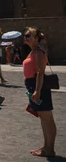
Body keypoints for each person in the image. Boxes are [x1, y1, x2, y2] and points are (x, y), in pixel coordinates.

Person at [22, 27, 57, 158]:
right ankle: (47, 147)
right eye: (25, 36)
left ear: (36, 38)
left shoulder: (38, 52)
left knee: (47, 118)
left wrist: (37, 90)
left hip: (38, 86)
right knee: (43, 118)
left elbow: (40, 72)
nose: (26, 38)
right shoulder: (33, 51)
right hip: (33, 86)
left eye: (28, 35)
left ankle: (50, 149)